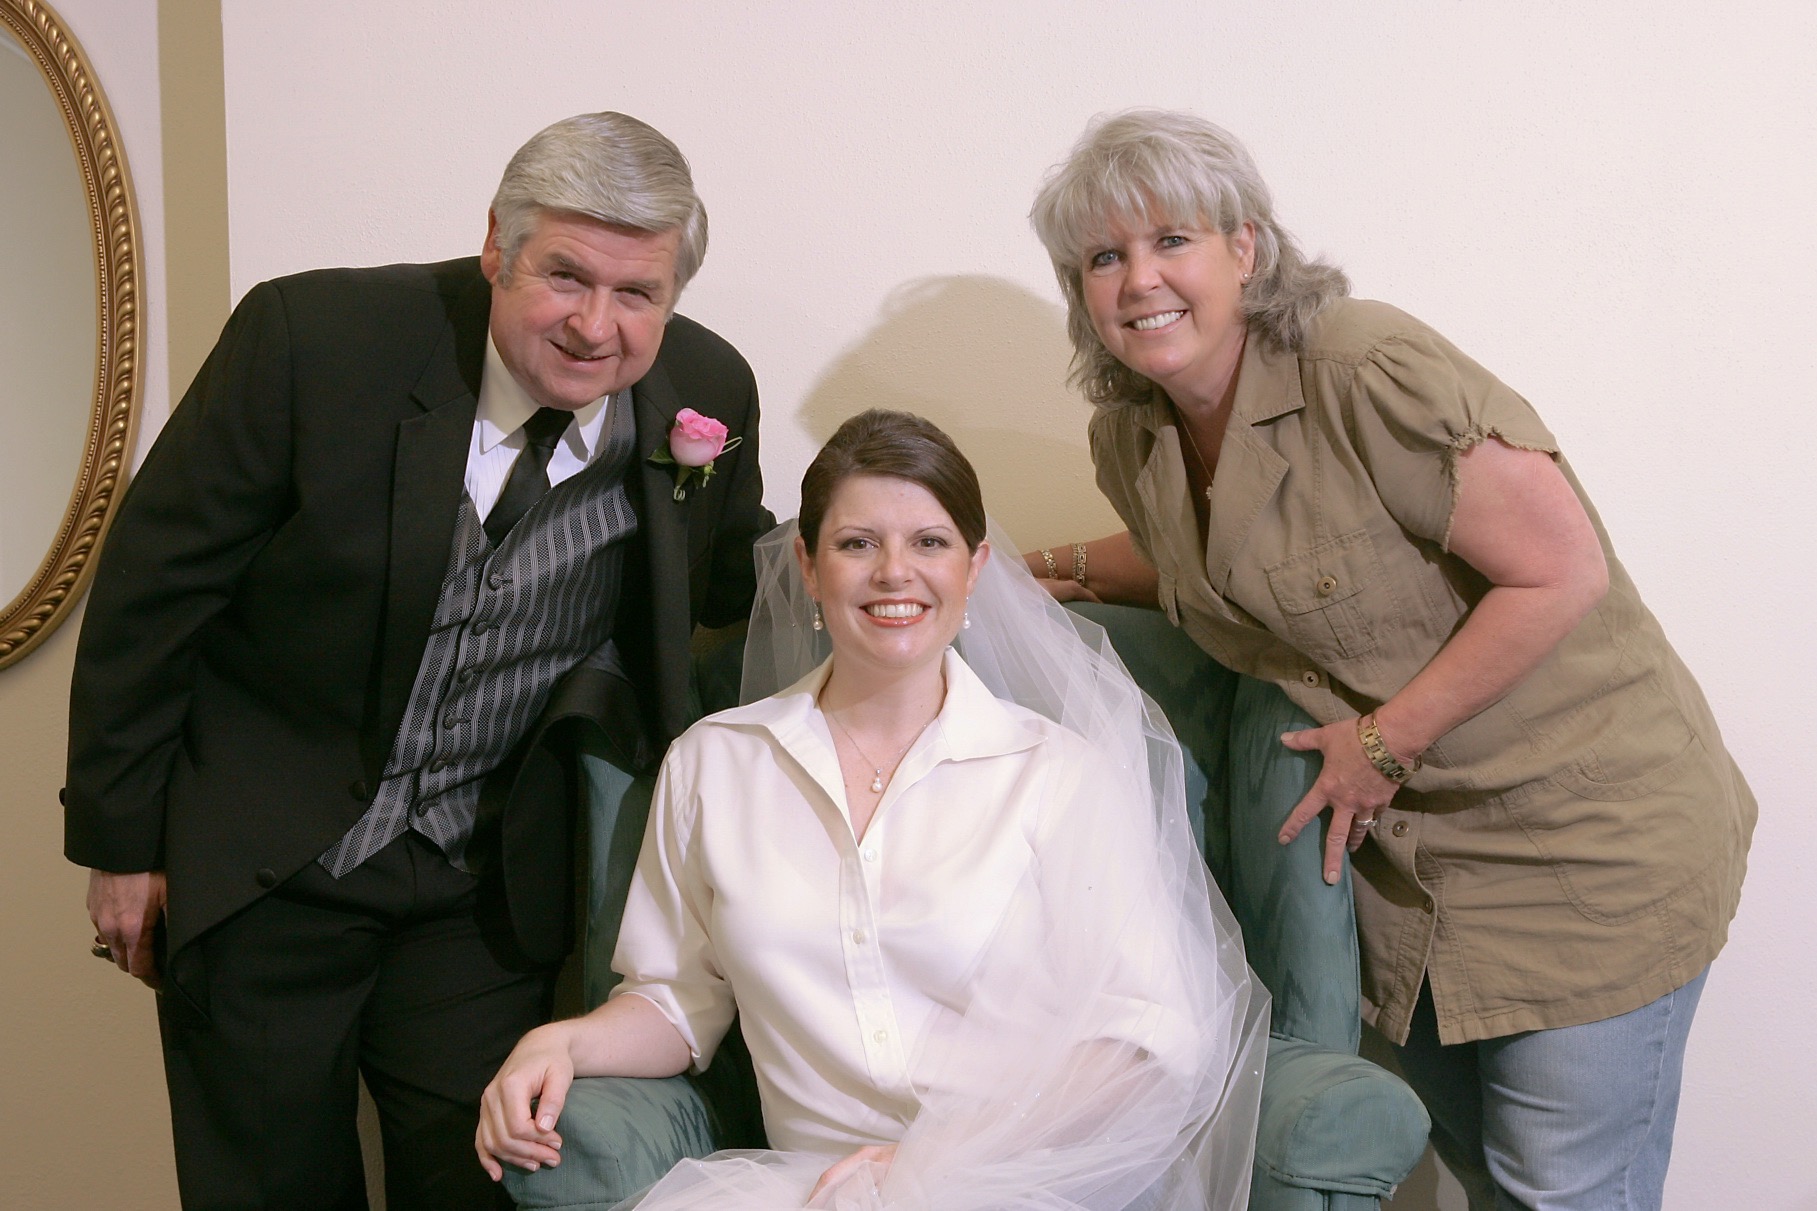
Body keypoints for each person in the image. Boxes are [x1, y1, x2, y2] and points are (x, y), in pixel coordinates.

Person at [1024, 109, 1755, 1211]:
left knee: (1562, 1190)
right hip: (1408, 886)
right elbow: (1203, 556)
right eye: (1102, 257)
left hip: (1580, 844)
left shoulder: (1362, 365)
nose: (1139, 280)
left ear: (1244, 248)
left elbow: (1560, 571)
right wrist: (1033, 570)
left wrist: (1379, 740)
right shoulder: (1131, 434)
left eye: (1170, 239)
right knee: (1487, 1180)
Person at [65, 111, 773, 1209]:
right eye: (565, 275)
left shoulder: (706, 391)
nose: (596, 325)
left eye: (638, 292)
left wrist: (913, 560)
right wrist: (122, 844)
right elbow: (155, 590)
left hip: (480, 891)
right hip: (268, 863)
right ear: (497, 245)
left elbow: (739, 575)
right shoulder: (313, 340)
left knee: (482, 1184)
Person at [477, 409, 1267, 1210]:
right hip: (808, 1190)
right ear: (807, 566)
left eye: (929, 542)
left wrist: (935, 1162)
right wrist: (560, 1039)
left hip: (1021, 1181)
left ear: (974, 568)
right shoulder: (715, 762)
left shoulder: (1058, 774)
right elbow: (679, 999)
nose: (894, 572)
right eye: (857, 543)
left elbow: (1146, 1038)